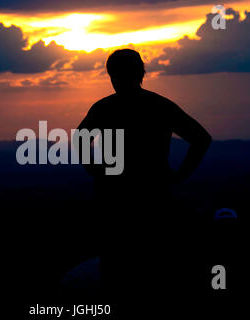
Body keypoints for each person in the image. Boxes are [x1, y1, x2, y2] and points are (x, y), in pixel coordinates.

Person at [75, 49, 212, 309]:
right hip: (154, 197)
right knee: (155, 270)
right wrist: (180, 175)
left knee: (118, 272)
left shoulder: (105, 108)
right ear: (142, 73)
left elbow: (80, 139)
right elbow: (201, 138)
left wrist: (94, 169)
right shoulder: (160, 106)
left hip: (116, 201)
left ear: (112, 76)